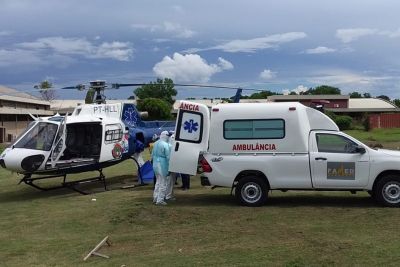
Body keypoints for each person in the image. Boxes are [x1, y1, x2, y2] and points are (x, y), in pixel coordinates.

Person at [151, 131, 171, 205]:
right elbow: (168, 157)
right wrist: (169, 168)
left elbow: (152, 155)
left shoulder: (155, 143)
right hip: (162, 165)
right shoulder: (166, 145)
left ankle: (155, 197)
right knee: (163, 182)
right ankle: (160, 200)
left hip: (155, 164)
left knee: (158, 182)